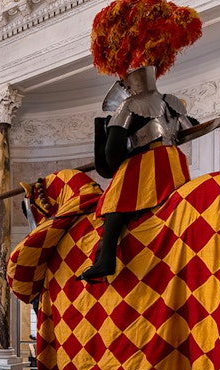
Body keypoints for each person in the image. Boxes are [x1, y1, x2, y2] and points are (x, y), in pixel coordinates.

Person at [78, 0, 202, 281]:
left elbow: (110, 162)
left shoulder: (128, 107)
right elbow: (188, 129)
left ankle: (105, 258)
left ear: (127, 83)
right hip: (173, 162)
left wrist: (104, 129)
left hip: (147, 165)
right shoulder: (172, 101)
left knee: (113, 205)